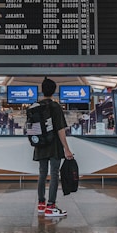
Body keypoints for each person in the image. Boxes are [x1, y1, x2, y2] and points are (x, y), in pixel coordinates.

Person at [34, 78, 74, 218]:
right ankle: (50, 207)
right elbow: (60, 129)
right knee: (54, 174)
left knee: (42, 174)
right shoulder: (55, 107)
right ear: (54, 91)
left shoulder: (35, 106)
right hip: (54, 146)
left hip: (40, 145)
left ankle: (41, 204)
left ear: (42, 90)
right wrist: (67, 148)